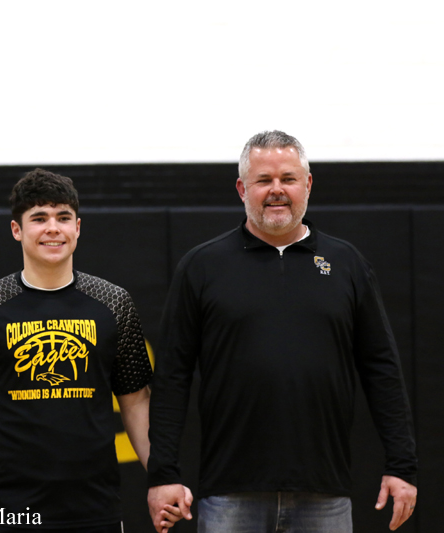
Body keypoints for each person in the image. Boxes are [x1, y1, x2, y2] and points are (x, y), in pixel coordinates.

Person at [147, 131, 418, 533]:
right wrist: (162, 474)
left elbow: (383, 371)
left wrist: (402, 466)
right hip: (229, 493)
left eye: (288, 178)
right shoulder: (202, 266)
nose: (277, 190)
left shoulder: (347, 264)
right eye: (264, 180)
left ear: (307, 184)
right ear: (242, 189)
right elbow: (172, 378)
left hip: (325, 493)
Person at [0, 168, 155, 532]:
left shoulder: (114, 303)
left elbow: (136, 402)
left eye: (63, 217)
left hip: (97, 508)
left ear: (77, 227)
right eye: (39, 218)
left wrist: (161, 478)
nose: (53, 228)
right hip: (9, 509)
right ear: (16, 230)